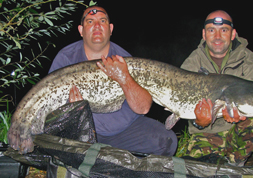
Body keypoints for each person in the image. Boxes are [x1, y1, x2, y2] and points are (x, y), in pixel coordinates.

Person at [49, 6, 177, 156]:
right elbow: (52, 110)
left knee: (167, 141)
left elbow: (143, 108)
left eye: (102, 21)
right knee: (59, 143)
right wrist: (71, 111)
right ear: (81, 30)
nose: (97, 26)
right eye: (90, 22)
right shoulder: (66, 58)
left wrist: (124, 77)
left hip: (125, 132)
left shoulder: (125, 60)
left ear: (110, 29)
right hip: (83, 131)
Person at [176, 10, 253, 166]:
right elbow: (183, 105)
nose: (218, 36)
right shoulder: (192, 63)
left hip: (237, 129)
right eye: (212, 30)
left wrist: (241, 117)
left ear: (233, 34)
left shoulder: (249, 61)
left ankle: (235, 161)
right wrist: (198, 122)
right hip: (205, 132)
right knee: (200, 168)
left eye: (224, 30)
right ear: (204, 34)